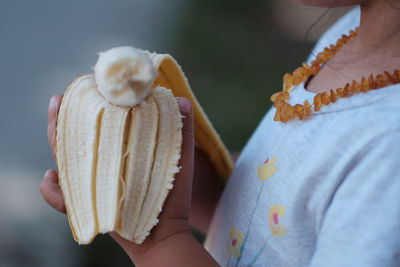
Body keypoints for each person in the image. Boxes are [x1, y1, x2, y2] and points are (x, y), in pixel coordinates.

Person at [41, 0, 400, 266]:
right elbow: (280, 213)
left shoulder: (389, 152)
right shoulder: (352, 30)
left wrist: (157, 243)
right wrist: (159, 177)